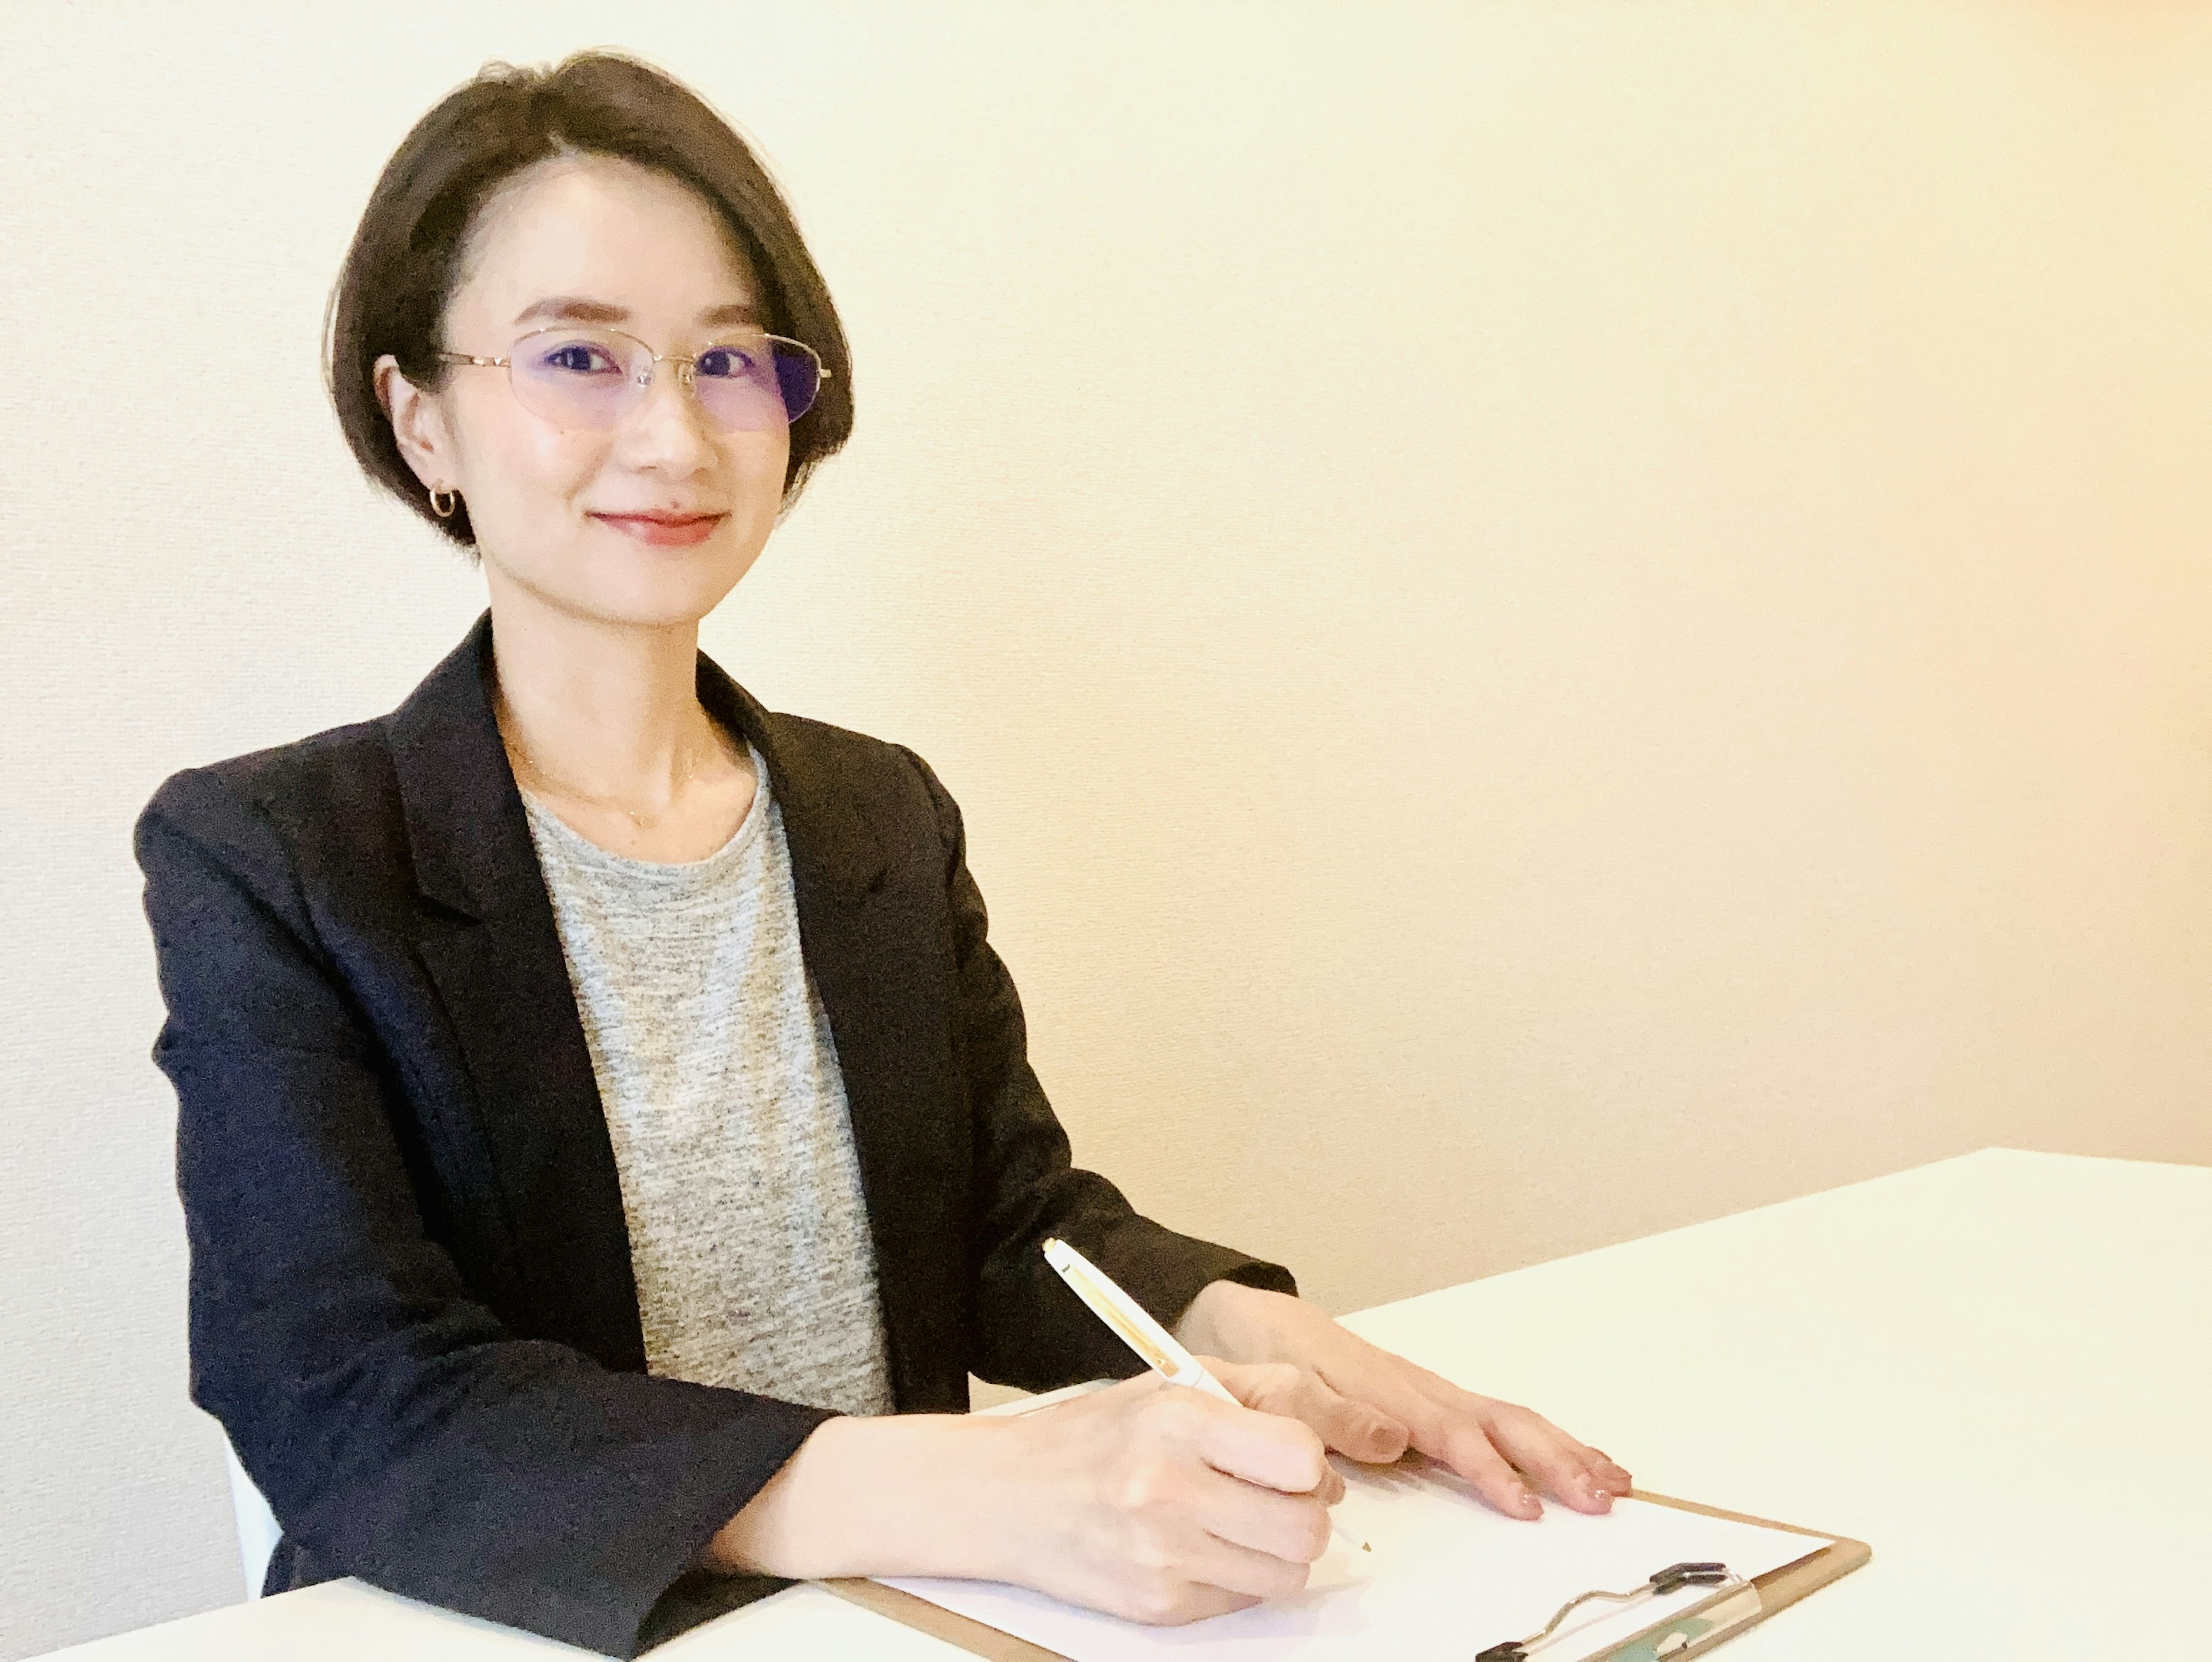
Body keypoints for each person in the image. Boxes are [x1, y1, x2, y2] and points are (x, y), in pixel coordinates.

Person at [132, 49, 1632, 1659]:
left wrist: (1246, 1326)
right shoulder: (275, 856)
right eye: (580, 355)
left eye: (728, 363)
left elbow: (1009, 1222)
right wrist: (978, 1488)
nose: (673, 436)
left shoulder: (878, 815)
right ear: (419, 415)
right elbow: (344, 1391)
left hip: (907, 1628)